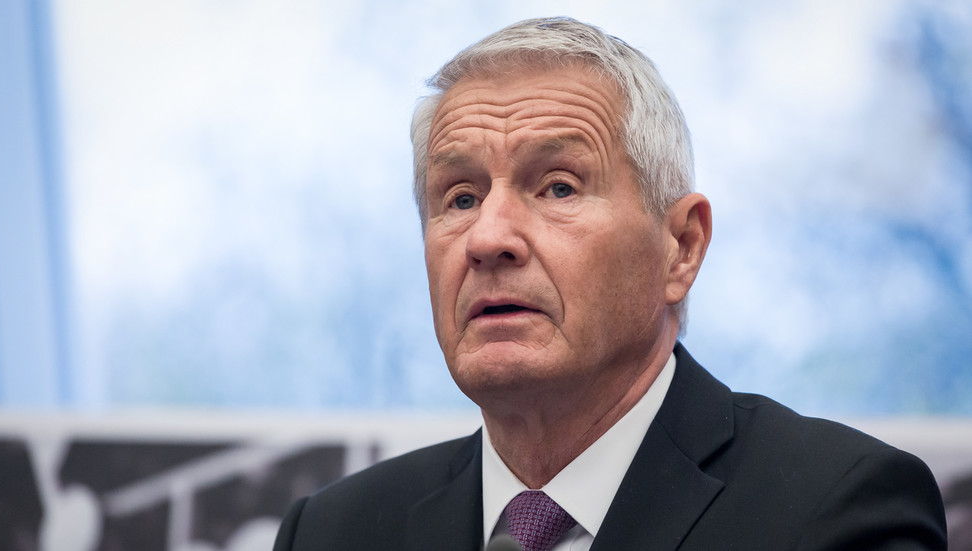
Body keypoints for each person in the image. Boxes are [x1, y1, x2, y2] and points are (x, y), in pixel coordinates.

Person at [273, 16, 947, 550]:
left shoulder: (834, 510)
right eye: (461, 198)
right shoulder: (333, 532)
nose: (487, 238)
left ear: (681, 248)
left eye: (558, 187)